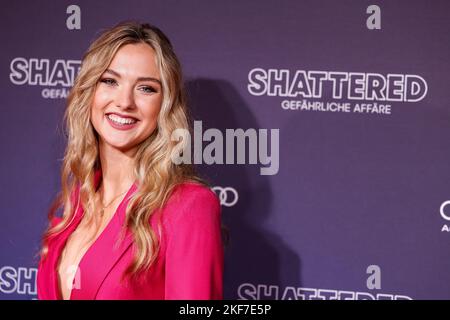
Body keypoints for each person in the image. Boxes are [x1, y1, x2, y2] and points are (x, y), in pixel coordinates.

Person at [37, 21, 224, 300]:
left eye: (146, 88)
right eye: (109, 81)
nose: (124, 102)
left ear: (165, 105)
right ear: (89, 92)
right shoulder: (79, 200)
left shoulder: (188, 205)